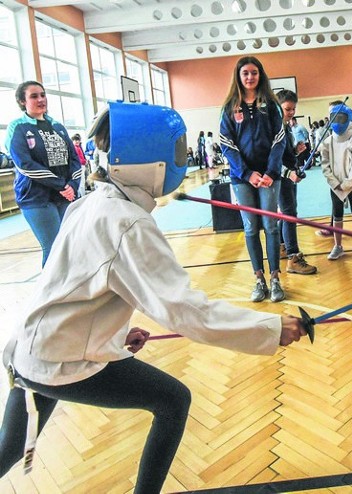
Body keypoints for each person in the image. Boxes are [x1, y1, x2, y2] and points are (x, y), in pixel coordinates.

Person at [0, 101, 307, 494]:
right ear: (152, 158)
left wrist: (110, 338)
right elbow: (185, 311)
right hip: (59, 358)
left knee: (7, 448)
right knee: (173, 402)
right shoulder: (127, 223)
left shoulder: (91, 203)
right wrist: (268, 328)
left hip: (31, 348)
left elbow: (73, 289)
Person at [219, 56, 286, 302]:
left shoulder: (271, 104)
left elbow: (280, 139)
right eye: (245, 73)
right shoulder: (229, 107)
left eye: (254, 73)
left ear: (261, 75)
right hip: (242, 178)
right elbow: (226, 144)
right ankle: (259, 279)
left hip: (269, 176)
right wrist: (247, 173)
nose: (250, 77)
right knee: (250, 228)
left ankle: (276, 279)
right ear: (238, 76)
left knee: (270, 226)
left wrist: (269, 172)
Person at [5, 81, 81, 267]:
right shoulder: (18, 127)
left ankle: (69, 290)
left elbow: (74, 160)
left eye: (43, 94)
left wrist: (72, 185)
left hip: (64, 196)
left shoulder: (58, 126)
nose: (41, 99)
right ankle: (50, 294)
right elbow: (25, 165)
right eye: (34, 96)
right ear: (22, 101)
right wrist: (61, 185)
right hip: (36, 198)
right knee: (53, 247)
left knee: (68, 246)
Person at [276, 89, 317, 275]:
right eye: (287, 109)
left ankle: (282, 245)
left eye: (293, 109)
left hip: (288, 175)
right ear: (278, 107)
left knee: (286, 213)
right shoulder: (275, 127)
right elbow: (272, 159)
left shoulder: (285, 126)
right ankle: (293, 257)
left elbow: (284, 154)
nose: (291, 112)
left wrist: (295, 151)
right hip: (282, 177)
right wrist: (288, 173)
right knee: (289, 214)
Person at [320, 101, 352, 261]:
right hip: (335, 185)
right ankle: (338, 246)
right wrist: (335, 183)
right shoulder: (327, 142)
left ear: (348, 118)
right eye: (335, 117)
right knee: (337, 214)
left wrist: (347, 184)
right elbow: (325, 165)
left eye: (341, 117)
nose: (338, 121)